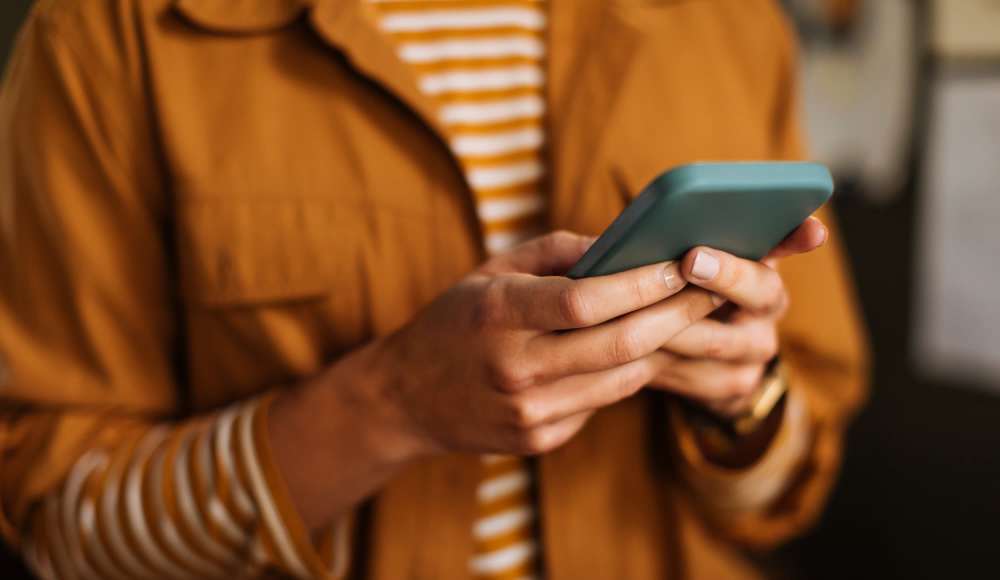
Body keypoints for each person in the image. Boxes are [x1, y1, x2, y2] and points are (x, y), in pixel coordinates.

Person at [0, 0, 869, 578]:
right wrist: (391, 405)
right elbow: (53, 519)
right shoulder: (114, 32)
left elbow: (796, 478)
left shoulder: (730, 24)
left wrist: (742, 404)